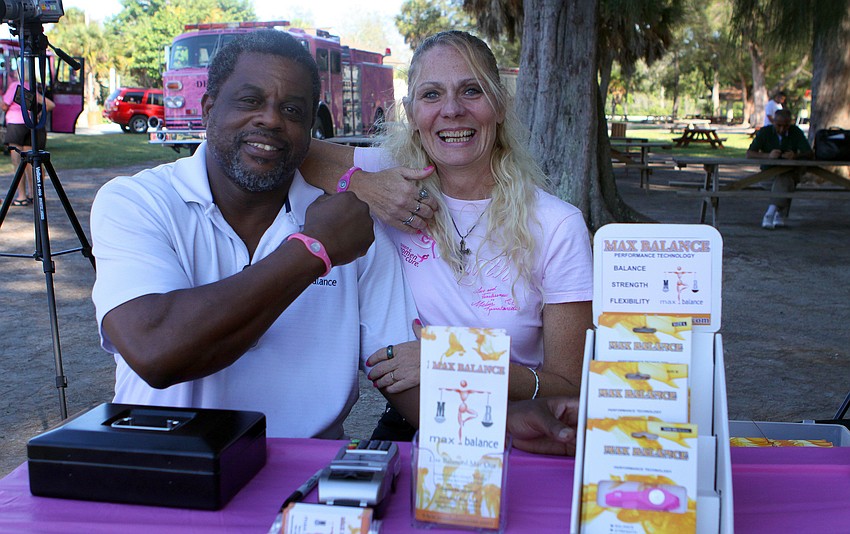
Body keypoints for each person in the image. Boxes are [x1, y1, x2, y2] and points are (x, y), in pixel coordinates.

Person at [89, 30, 419, 439]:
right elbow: (156, 351)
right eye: (249, 101)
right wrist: (315, 250)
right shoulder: (137, 202)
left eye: (293, 110)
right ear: (209, 108)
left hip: (306, 478)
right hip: (168, 468)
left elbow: (403, 373)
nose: (271, 119)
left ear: (310, 128)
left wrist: (514, 402)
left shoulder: (353, 227)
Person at [302, 31, 593, 440]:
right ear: (411, 112)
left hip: (518, 430)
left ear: (500, 104)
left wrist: (449, 359)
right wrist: (362, 184)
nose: (452, 110)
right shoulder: (395, 176)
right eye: (432, 95)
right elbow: (297, 152)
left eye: (471, 91)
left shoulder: (556, 225)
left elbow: (570, 386)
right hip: (413, 423)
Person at [746, 108, 813, 229]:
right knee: (786, 183)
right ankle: (779, 215)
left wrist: (795, 155)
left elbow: (809, 153)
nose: (782, 129)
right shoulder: (765, 132)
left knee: (785, 177)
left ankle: (769, 213)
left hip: (791, 171)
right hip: (768, 174)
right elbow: (750, 153)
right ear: (773, 122)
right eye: (779, 125)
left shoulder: (796, 132)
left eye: (786, 126)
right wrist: (768, 156)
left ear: (790, 123)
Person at [2, 69, 55, 207]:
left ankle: (22, 196)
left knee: (18, 162)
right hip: (32, 126)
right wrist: (38, 116)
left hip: (16, 126)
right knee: (33, 162)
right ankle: (35, 194)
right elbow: (50, 104)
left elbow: (4, 106)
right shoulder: (32, 87)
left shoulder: (15, 86)